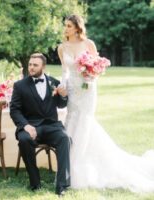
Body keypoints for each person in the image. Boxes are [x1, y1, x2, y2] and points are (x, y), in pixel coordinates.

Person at [58, 14, 154, 192]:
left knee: (86, 122)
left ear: (78, 28)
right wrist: (62, 84)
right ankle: (68, 164)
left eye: (70, 26)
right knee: (72, 120)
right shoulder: (62, 47)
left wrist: (91, 74)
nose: (66, 29)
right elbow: (65, 70)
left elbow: (97, 66)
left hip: (88, 89)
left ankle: (81, 166)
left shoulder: (89, 44)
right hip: (72, 89)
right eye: (66, 26)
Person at [10, 53, 71, 195]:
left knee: (64, 139)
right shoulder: (20, 86)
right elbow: (14, 110)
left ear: (43, 67)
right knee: (24, 139)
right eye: (30, 64)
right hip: (31, 126)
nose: (31, 67)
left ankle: (61, 185)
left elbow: (61, 105)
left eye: (35, 65)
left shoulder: (54, 82)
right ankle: (35, 182)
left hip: (51, 126)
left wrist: (63, 95)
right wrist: (25, 126)